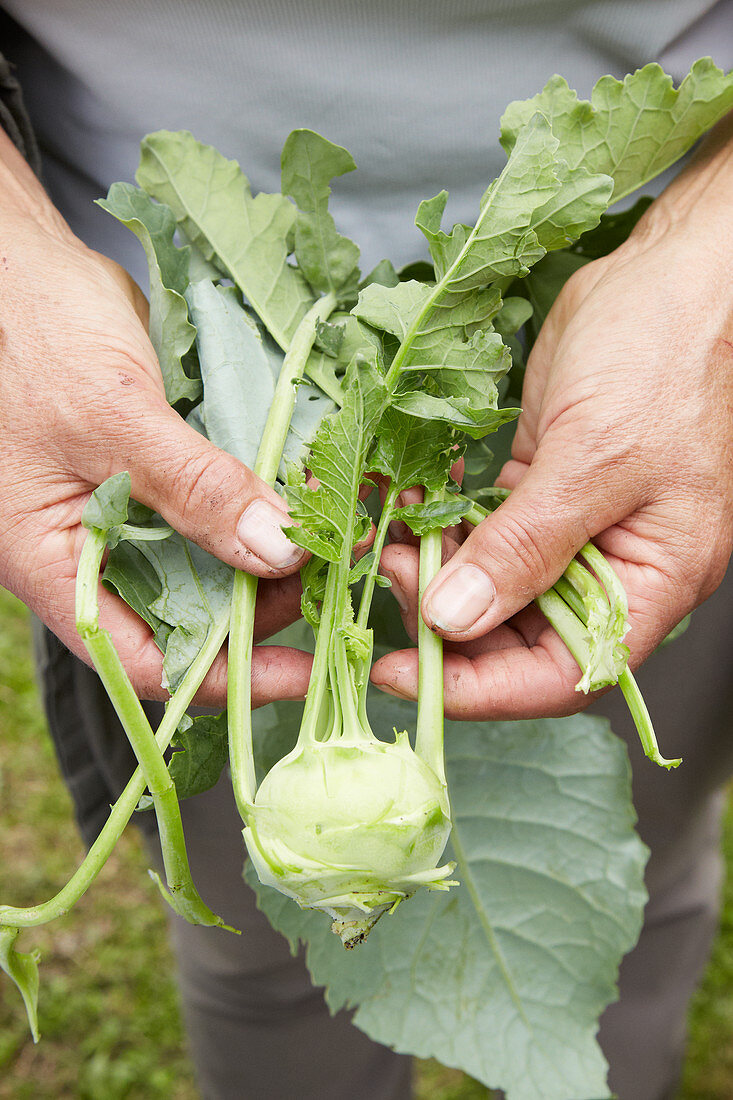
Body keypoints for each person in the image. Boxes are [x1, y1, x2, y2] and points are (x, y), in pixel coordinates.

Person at [0, 2, 732, 1097]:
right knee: (257, 946)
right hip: (151, 381)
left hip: (652, 361)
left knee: (645, 845)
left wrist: (711, 257)